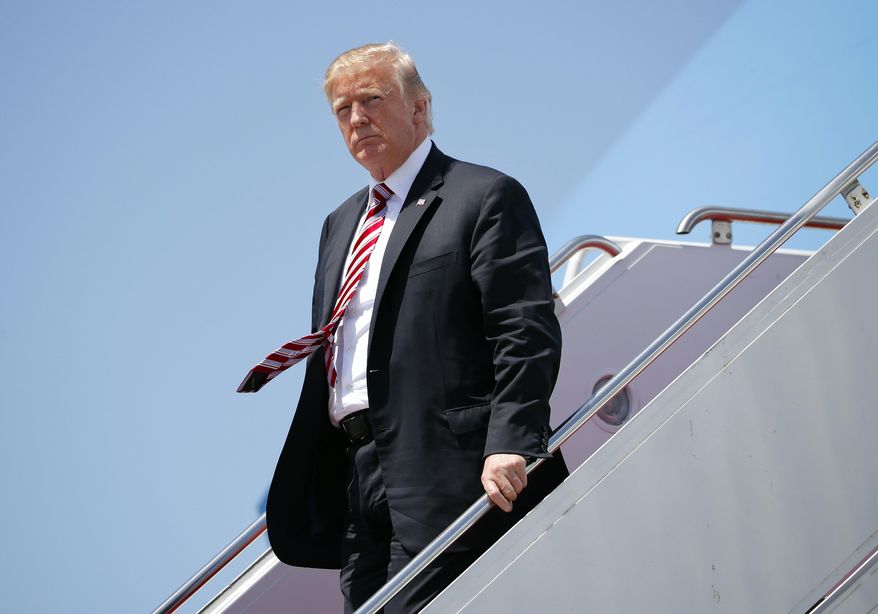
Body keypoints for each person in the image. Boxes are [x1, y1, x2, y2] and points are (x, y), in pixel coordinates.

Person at [238, 42, 566, 612]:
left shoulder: (483, 195)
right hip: (355, 476)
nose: (356, 118)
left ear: (419, 108)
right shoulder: (339, 223)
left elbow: (523, 329)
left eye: (371, 99)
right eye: (342, 110)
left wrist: (512, 441)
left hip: (448, 466)